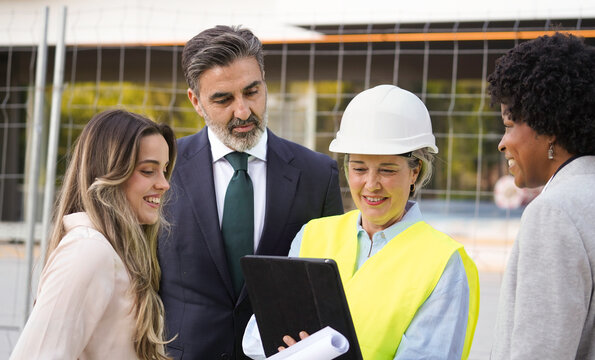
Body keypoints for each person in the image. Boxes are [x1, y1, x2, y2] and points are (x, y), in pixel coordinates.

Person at [243, 84, 480, 360]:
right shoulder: (312, 235)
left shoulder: (443, 263)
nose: (371, 184)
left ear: (415, 171)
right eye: (358, 168)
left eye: (387, 170)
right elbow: (257, 339)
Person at [158, 25, 343, 359]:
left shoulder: (318, 175)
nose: (242, 111)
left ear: (265, 85)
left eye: (252, 92)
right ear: (196, 102)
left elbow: (330, 287)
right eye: (223, 99)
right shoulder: (161, 167)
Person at [10, 109, 177, 359]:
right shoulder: (87, 251)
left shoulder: (114, 251)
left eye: (164, 170)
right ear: (109, 172)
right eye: (147, 170)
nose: (164, 184)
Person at [489, 33, 595, 359]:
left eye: (509, 123)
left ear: (547, 123)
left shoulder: (554, 213)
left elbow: (540, 350)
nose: (502, 143)